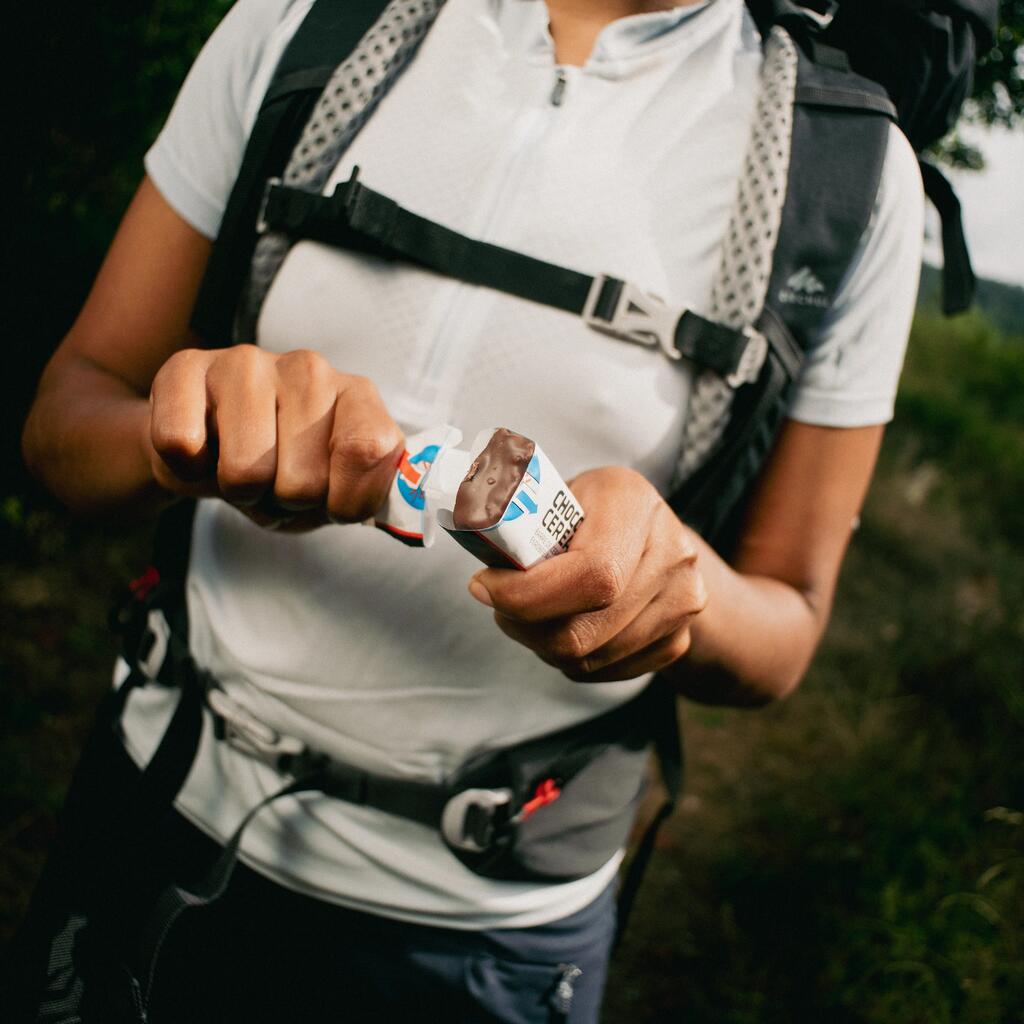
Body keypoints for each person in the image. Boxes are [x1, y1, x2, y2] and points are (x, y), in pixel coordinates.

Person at [19, 0, 923, 1019]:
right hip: (154, 801)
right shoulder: (301, 22)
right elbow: (66, 420)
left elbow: (788, 618)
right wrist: (170, 437)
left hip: (484, 931)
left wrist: (681, 588)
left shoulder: (846, 165)